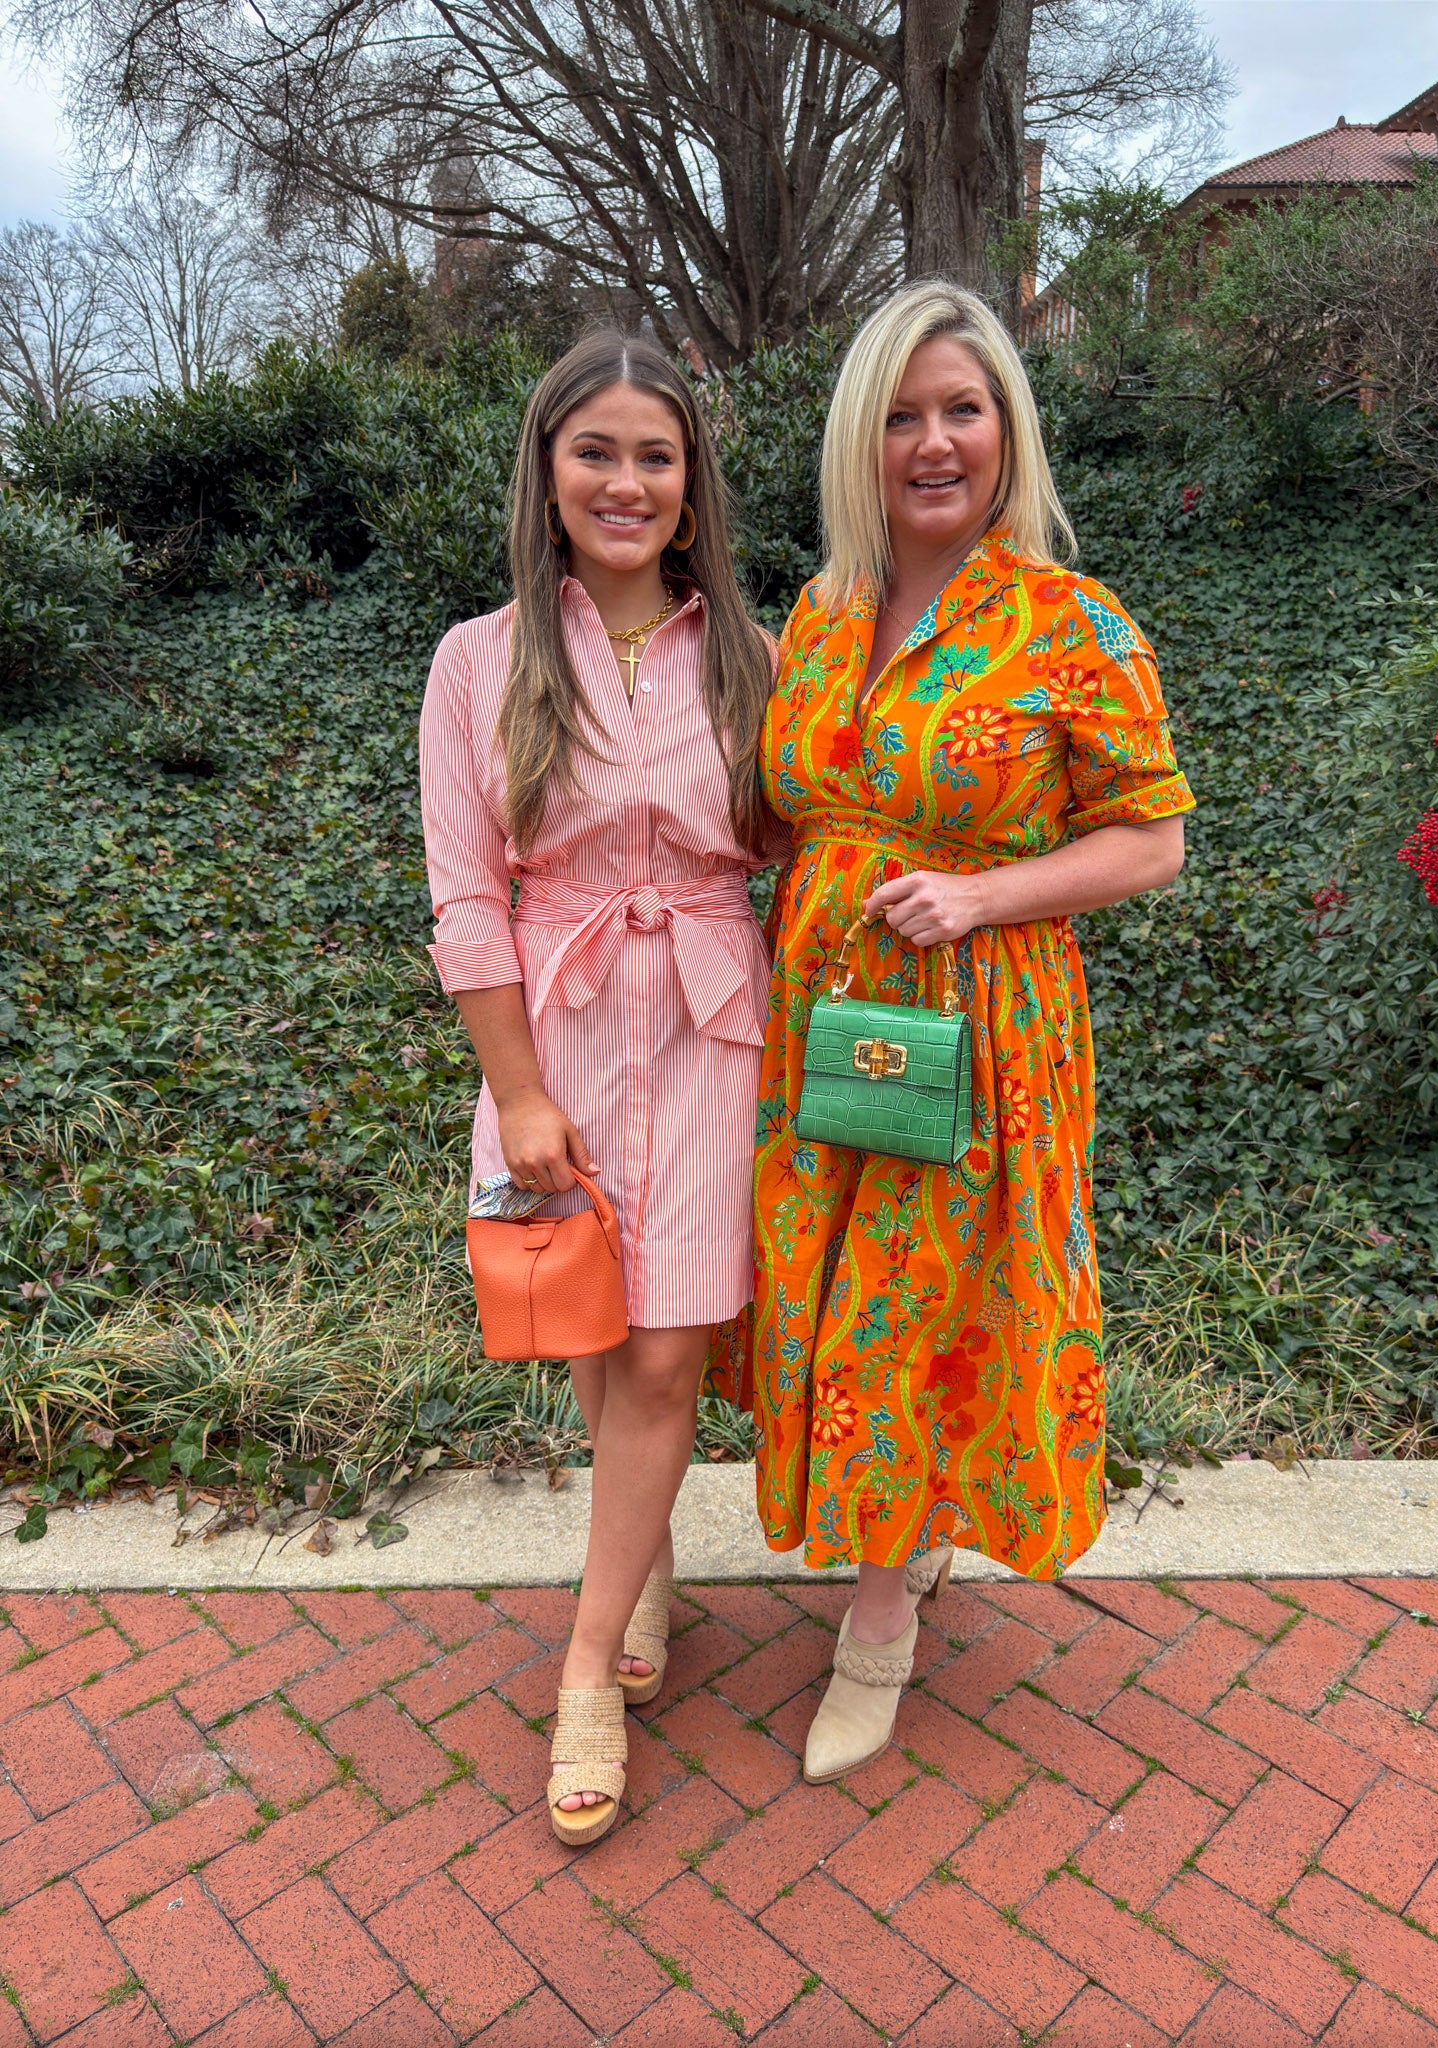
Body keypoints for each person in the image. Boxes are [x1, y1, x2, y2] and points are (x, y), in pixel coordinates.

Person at [748, 280, 1194, 1782]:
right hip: (823, 1016)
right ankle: (906, 1525)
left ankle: (879, 1619)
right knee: (838, 1290)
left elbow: (1151, 842)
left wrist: (985, 894)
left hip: (977, 1025)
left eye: (963, 410)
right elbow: (785, 806)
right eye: (901, 416)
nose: (933, 443)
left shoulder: (1071, 624)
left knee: (919, 1301)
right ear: (857, 441)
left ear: (1009, 428)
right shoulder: (821, 613)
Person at [419, 330, 776, 1844]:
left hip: (710, 1025)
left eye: (656, 455)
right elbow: (466, 897)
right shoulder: (481, 661)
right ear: (548, 471)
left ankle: (584, 1668)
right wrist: (517, 1094)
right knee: (587, 1323)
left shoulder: (755, 657)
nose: (626, 482)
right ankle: (643, 1566)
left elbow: (816, 838)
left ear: (692, 486)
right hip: (555, 1032)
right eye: (596, 452)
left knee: (667, 1358)